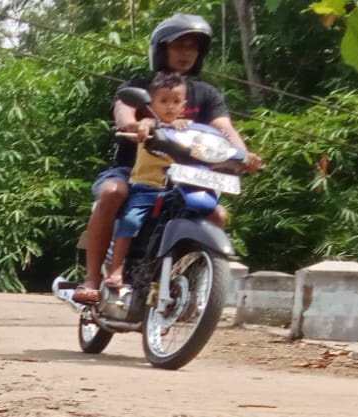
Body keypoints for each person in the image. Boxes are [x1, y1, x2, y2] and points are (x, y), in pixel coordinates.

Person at [73, 14, 260, 303]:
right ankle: (92, 280)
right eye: (179, 45)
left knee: (216, 215)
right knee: (113, 192)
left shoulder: (207, 94)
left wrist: (242, 154)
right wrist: (130, 125)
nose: (186, 53)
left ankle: (187, 283)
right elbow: (124, 107)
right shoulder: (141, 83)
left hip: (184, 176)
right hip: (134, 172)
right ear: (161, 49)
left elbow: (225, 129)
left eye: (193, 47)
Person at [103, 71, 188, 290]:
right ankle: (116, 268)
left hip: (178, 190)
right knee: (130, 220)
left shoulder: (189, 128)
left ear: (184, 105)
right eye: (164, 101)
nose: (170, 106)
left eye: (176, 101)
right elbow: (145, 124)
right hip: (145, 188)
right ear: (151, 103)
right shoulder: (149, 122)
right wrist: (143, 126)